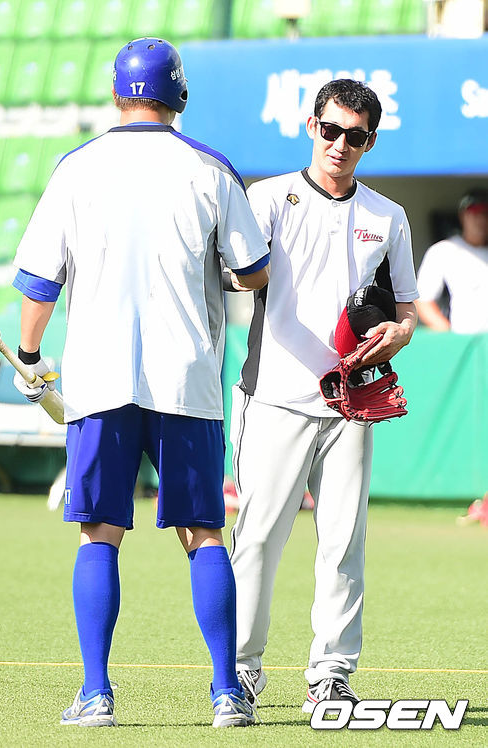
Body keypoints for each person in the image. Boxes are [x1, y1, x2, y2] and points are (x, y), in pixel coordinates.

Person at [11, 37, 270, 728]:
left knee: (99, 531)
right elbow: (253, 272)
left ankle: (96, 693)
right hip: (186, 380)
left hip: (97, 382)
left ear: (116, 93)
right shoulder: (210, 168)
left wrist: (30, 356)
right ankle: (226, 693)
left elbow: (39, 284)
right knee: (204, 532)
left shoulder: (76, 167)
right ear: (178, 94)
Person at [228, 79, 418, 717]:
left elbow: (407, 311)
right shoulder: (267, 198)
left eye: (355, 136)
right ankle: (240, 672)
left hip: (352, 403)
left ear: (370, 141)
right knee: (257, 540)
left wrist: (398, 334)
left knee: (344, 543)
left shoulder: (389, 217)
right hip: (274, 396)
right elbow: (235, 276)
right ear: (311, 126)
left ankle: (332, 675)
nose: (340, 144)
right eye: (331, 130)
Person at [415, 188, 488, 332]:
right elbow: (422, 300)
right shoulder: (444, 251)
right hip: (464, 338)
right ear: (462, 216)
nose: (481, 220)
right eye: (474, 213)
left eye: (485, 214)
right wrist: (449, 334)